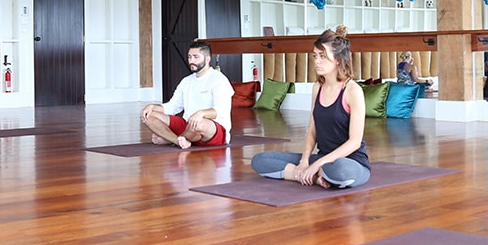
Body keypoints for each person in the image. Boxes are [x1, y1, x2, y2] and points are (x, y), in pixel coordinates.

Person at [250, 26, 370, 189]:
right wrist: (304, 161)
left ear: (338, 60)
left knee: (340, 171)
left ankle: (316, 173)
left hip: (350, 163)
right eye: (315, 56)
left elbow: (355, 142)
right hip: (322, 159)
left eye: (322, 56)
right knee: (261, 160)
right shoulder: (317, 88)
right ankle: (313, 177)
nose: (317, 61)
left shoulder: (353, 91)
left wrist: (317, 164)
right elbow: (312, 129)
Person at [140, 40, 233, 149]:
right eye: (189, 57)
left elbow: (221, 110)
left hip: (212, 128)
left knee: (199, 124)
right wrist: (152, 107)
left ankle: (170, 139)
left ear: (207, 59)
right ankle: (178, 140)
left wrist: (201, 113)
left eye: (195, 57)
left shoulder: (219, 80)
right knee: (148, 115)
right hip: (188, 126)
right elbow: (172, 107)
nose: (191, 61)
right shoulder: (186, 81)